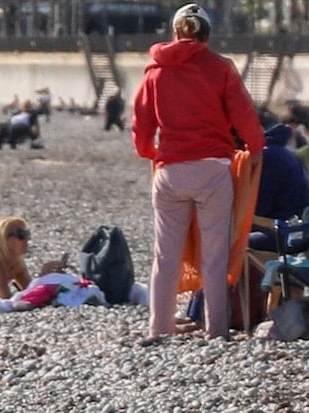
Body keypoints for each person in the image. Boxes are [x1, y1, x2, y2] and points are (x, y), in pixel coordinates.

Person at [132, 3, 265, 342]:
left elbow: (141, 123)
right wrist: (255, 147)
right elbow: (243, 115)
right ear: (206, 35)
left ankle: (159, 327)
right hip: (212, 171)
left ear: (175, 32)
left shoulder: (155, 71)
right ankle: (216, 329)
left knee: (165, 255)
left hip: (170, 172)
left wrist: (150, 152)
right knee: (214, 255)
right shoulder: (220, 68)